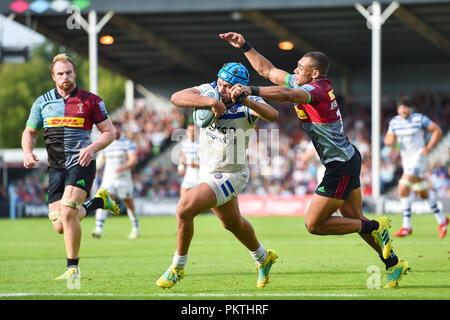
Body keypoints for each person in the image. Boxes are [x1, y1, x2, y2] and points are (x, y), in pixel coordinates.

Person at [221, 32, 409, 288]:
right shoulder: (303, 83)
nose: (295, 70)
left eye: (300, 68)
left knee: (315, 224)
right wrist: (245, 46)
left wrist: (249, 91)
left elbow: (288, 95)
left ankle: (377, 225)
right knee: (355, 219)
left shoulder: (317, 90)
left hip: (340, 166)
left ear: (315, 74)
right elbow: (269, 71)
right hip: (346, 158)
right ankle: (394, 264)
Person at [156, 62, 279, 289]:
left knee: (184, 208)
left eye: (227, 86)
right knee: (232, 224)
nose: (222, 88)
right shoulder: (210, 90)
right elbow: (176, 97)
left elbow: (273, 115)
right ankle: (264, 258)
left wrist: (247, 99)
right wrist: (211, 102)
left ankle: (177, 268)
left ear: (238, 87)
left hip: (231, 174)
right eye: (220, 83)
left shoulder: (247, 102)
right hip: (208, 170)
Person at [21, 53, 120, 281]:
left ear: (75, 73)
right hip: (56, 168)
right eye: (60, 74)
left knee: (68, 211)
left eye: (69, 72)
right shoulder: (42, 102)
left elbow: (110, 133)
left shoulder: (91, 100)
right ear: (53, 76)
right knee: (60, 225)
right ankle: (98, 202)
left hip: (81, 163)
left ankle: (72, 269)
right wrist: (27, 152)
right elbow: (29, 131)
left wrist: (92, 148)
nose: (65, 77)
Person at [384, 97, 447, 239]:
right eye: (400, 107)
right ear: (398, 109)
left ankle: (407, 226)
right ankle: (442, 221)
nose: (403, 109)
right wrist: (390, 142)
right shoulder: (394, 122)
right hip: (406, 160)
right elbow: (388, 139)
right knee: (422, 193)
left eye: (406, 107)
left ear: (411, 108)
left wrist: (429, 148)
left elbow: (437, 130)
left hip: (419, 157)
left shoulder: (419, 119)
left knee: (402, 187)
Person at [92, 121, 140, 239]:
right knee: (102, 200)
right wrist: (91, 169)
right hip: (109, 179)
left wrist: (123, 167)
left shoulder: (127, 143)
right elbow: (100, 160)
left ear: (120, 129)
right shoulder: (106, 144)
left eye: (117, 128)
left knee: (129, 204)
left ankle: (135, 228)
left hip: (124, 179)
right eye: (114, 129)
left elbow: (133, 160)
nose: (116, 131)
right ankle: (98, 228)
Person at [178, 123, 201, 197]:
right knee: (183, 196)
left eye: (193, 131)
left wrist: (196, 165)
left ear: (197, 131)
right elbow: (182, 157)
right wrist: (181, 167)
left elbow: (208, 162)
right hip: (189, 174)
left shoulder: (202, 144)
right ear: (187, 132)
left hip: (200, 175)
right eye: (189, 131)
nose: (191, 133)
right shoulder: (184, 144)